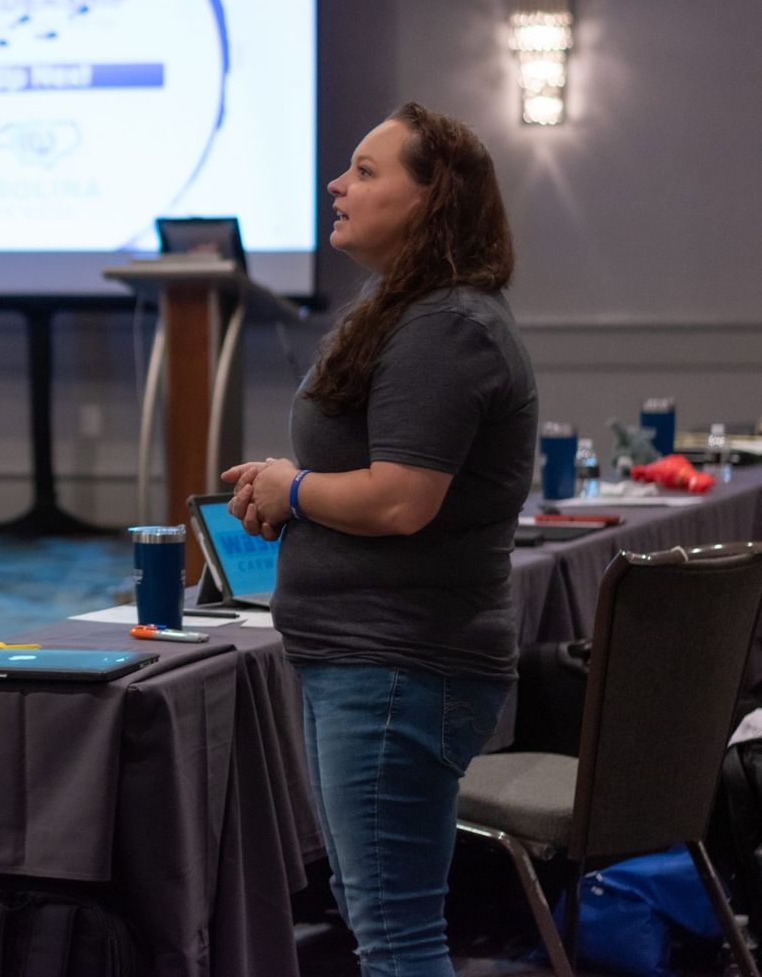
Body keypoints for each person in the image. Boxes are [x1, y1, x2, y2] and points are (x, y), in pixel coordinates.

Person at [222, 102, 537, 977]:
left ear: (432, 200)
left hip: (399, 665)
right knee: (383, 924)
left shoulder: (447, 328)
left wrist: (296, 488)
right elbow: (382, 468)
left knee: (397, 938)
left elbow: (402, 501)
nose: (338, 183)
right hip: (370, 658)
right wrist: (294, 486)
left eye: (366, 170)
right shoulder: (408, 312)